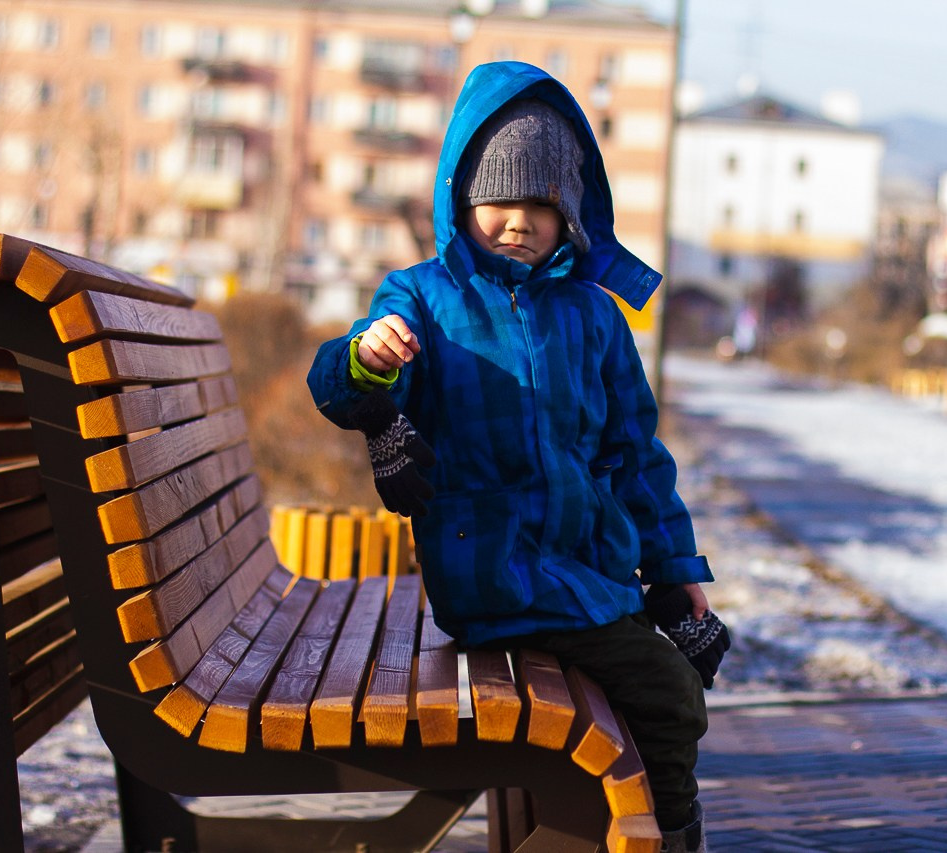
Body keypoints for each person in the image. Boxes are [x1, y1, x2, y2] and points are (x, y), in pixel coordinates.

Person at [308, 61, 728, 852]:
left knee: (646, 682)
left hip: (584, 574)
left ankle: (602, 828)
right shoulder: (423, 298)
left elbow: (635, 453)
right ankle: (669, 836)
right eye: (500, 197)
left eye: (543, 202)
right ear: (462, 195)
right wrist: (369, 357)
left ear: (569, 211)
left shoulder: (593, 316)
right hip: (498, 577)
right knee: (669, 695)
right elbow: (334, 384)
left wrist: (673, 573)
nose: (519, 221)